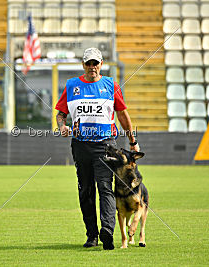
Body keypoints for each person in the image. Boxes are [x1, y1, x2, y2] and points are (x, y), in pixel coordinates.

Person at [55, 48, 140, 250]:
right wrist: (62, 126)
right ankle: (92, 235)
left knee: (104, 186)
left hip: (105, 145)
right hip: (80, 145)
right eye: (88, 63)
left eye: (96, 63)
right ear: (83, 65)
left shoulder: (111, 85)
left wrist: (132, 141)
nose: (92, 67)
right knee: (85, 190)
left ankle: (107, 231)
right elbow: (61, 114)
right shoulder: (72, 85)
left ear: (101, 64)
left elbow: (122, 115)